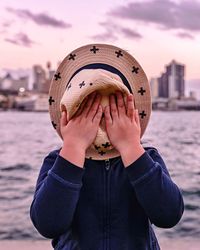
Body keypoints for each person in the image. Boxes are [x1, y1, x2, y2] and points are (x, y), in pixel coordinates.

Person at [30, 44, 184, 250]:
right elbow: (48, 224)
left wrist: (131, 147)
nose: (101, 118)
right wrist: (73, 147)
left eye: (113, 110)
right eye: (89, 112)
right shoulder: (57, 161)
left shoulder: (146, 157)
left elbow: (169, 215)